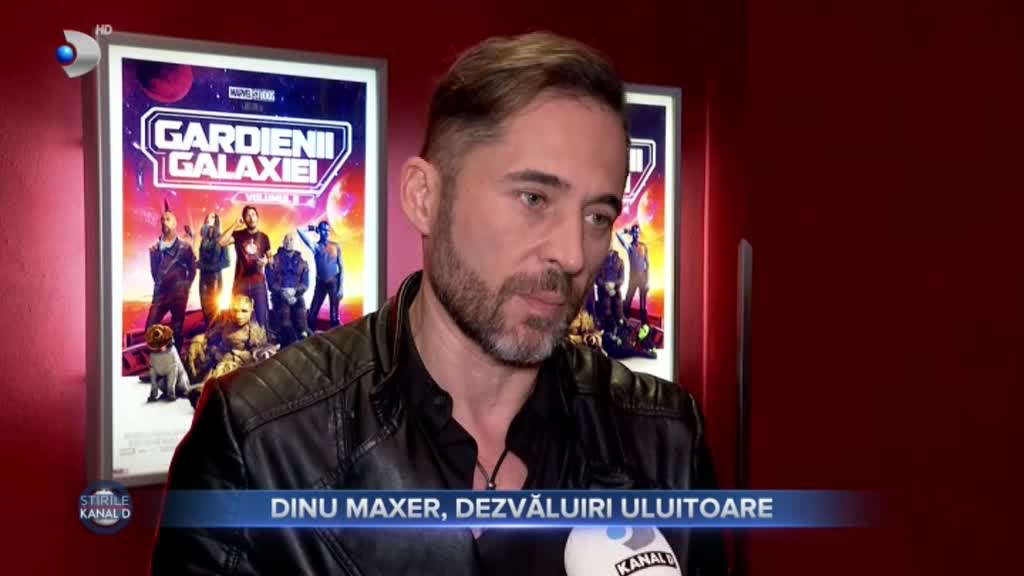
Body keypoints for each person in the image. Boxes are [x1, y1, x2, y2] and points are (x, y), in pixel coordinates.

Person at [153, 32, 726, 575]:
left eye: (597, 216)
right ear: (425, 198)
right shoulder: (259, 441)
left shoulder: (665, 439)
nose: (573, 254)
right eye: (533, 198)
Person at [145, 202, 196, 352]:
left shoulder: (185, 247)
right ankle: (157, 359)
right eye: (162, 220)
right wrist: (160, 285)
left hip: (179, 295)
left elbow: (192, 269)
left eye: (167, 219)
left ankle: (176, 359)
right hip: (160, 294)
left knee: (177, 329)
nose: (164, 222)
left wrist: (186, 287)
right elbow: (155, 273)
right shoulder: (155, 249)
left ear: (175, 223)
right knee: (150, 328)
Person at [218, 205, 271, 330]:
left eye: (253, 215)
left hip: (258, 283)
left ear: (257, 217)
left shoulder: (264, 237)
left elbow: (270, 258)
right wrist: (235, 225)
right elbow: (221, 242)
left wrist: (266, 261)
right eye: (248, 215)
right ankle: (239, 341)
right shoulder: (239, 235)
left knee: (262, 320)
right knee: (236, 319)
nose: (251, 218)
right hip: (240, 283)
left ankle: (263, 341)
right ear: (244, 219)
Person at [297, 220, 344, 329]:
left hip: (334, 282)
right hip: (321, 284)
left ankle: (334, 337)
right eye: (323, 230)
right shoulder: (316, 247)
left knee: (334, 317)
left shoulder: (336, 246)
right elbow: (299, 230)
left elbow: (341, 268)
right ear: (319, 231)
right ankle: (311, 336)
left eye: (328, 230)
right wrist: (313, 228)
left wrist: (341, 288)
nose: (326, 232)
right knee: (312, 315)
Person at [266, 233, 310, 346]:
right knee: (285, 322)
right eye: (286, 239)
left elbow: (305, 283)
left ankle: (303, 334)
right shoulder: (274, 260)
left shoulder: (302, 262)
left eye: (291, 240)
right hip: (280, 296)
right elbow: (271, 283)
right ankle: (288, 340)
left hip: (296, 296)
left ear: (294, 243)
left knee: (302, 320)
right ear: (283, 242)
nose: (288, 242)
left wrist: (295, 291)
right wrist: (283, 292)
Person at [195, 213, 230, 326]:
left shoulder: (221, 238)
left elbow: (226, 262)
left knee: (213, 307)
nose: (208, 218)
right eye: (207, 216)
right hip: (203, 277)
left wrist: (205, 266)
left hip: (214, 277)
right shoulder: (203, 240)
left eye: (212, 216)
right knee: (205, 306)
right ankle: (208, 330)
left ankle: (214, 331)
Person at [616, 223, 650, 323]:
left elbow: (647, 265)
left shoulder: (643, 246)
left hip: (643, 278)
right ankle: (624, 323)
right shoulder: (629, 247)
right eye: (634, 232)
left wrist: (648, 281)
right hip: (633, 278)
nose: (637, 234)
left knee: (643, 305)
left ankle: (645, 326)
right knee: (627, 302)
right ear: (632, 233)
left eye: (638, 232)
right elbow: (617, 234)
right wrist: (626, 231)